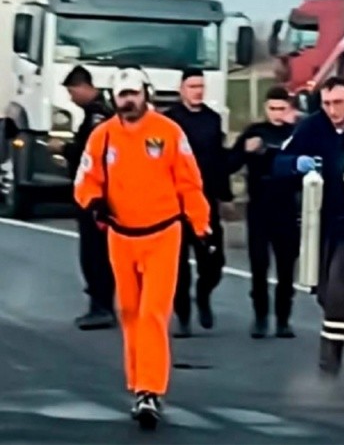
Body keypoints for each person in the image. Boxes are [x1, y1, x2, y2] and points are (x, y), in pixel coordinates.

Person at [73, 67, 210, 429]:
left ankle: (151, 390)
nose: (129, 100)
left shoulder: (167, 133)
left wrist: (201, 225)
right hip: (121, 236)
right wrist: (94, 202)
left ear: (145, 94)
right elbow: (85, 180)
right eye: (123, 95)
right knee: (129, 310)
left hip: (163, 234)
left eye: (134, 93)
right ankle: (137, 383)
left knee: (152, 312)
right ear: (115, 98)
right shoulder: (102, 137)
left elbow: (189, 182)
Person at [273, 76, 344, 376]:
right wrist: (297, 162)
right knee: (325, 296)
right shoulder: (313, 126)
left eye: (338, 102)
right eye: (326, 103)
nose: (333, 110)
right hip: (319, 220)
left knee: (338, 287)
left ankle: (328, 364)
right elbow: (279, 163)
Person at [164, 68, 232, 338]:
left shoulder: (212, 120)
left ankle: (203, 296)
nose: (198, 91)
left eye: (201, 86)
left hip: (206, 202)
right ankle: (183, 316)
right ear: (182, 89)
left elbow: (218, 161)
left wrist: (225, 196)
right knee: (178, 265)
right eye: (192, 86)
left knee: (213, 262)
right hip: (175, 205)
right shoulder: (169, 122)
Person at [228, 85, 298, 339]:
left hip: (288, 207)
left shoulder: (295, 134)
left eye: (282, 109)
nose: (277, 114)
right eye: (273, 109)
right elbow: (230, 164)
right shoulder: (254, 132)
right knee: (259, 265)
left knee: (286, 268)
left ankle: (283, 319)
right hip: (259, 208)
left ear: (288, 108)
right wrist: (246, 151)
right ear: (265, 108)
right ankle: (260, 317)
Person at [60, 65, 116, 330]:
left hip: (97, 196)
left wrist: (64, 148)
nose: (71, 97)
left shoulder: (98, 116)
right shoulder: (97, 113)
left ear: (84, 88)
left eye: (72, 91)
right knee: (97, 252)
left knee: (96, 253)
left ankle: (101, 306)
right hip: (94, 194)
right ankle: (100, 304)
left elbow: (90, 152)